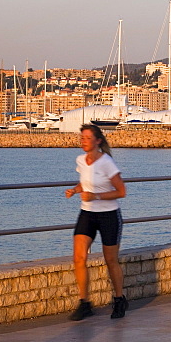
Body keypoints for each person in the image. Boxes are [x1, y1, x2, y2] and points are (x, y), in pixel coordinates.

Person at [64, 123, 128, 320]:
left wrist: (96, 197)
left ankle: (119, 299)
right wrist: (76, 190)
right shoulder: (81, 160)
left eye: (87, 138)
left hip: (109, 215)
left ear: (97, 141)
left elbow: (121, 191)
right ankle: (85, 303)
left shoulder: (106, 162)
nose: (83, 141)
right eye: (81, 138)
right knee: (79, 257)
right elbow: (86, 181)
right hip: (87, 214)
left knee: (110, 260)